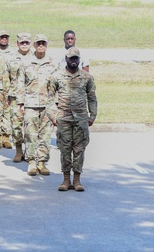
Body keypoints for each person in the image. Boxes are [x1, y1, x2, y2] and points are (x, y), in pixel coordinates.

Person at [50, 47, 98, 191]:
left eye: (76, 58)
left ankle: (77, 180)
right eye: (71, 58)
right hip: (63, 118)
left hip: (80, 118)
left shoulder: (87, 77)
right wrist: (52, 115)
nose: (74, 61)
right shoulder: (56, 76)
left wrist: (92, 115)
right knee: (65, 149)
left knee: (79, 150)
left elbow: (92, 98)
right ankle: (66, 180)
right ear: (66, 59)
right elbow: (49, 98)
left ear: (79, 60)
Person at [16, 34, 58, 176]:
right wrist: (20, 102)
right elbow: (20, 83)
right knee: (30, 133)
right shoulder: (26, 62)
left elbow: (58, 84)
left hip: (48, 104)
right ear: (34, 45)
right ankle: (32, 161)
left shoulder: (53, 63)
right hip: (30, 103)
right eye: (38, 43)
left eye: (43, 43)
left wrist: (57, 103)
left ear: (46, 45)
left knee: (46, 134)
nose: (41, 46)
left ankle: (42, 162)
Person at [7, 32, 32, 162]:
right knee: (16, 124)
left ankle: (29, 151)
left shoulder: (35, 58)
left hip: (31, 96)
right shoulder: (11, 58)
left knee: (30, 125)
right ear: (17, 44)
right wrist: (7, 94)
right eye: (22, 43)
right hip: (15, 96)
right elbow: (6, 77)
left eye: (26, 43)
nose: (24, 45)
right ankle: (18, 150)